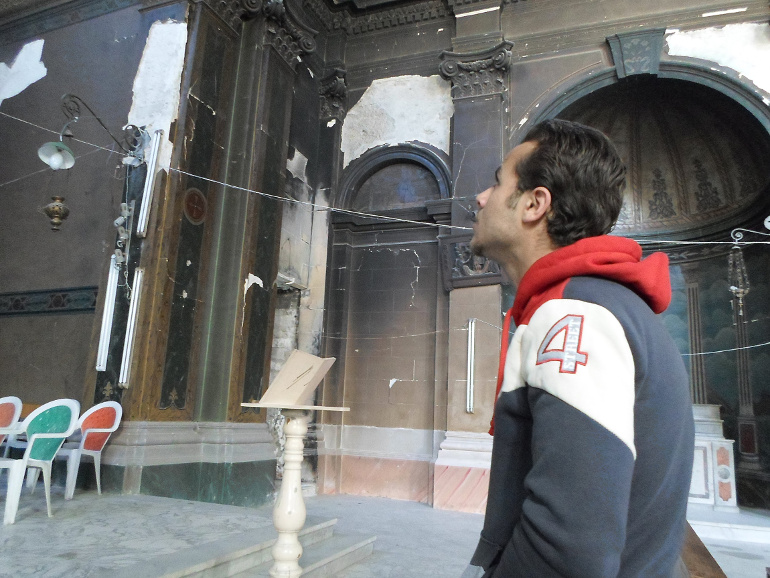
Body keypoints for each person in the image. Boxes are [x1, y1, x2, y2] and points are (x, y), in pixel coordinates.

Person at [462, 119, 694, 577]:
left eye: (496, 182)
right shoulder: (597, 302)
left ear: (534, 203)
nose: (481, 198)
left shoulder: (576, 315)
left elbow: (568, 548)